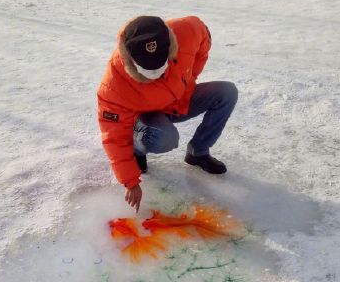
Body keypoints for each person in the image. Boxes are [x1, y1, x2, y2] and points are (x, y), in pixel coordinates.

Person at [97, 15, 238, 212]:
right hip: (148, 116)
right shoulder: (114, 86)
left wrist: (190, 78)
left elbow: (203, 42)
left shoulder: (188, 30)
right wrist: (130, 182)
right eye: (147, 74)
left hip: (180, 100)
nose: (158, 76)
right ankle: (138, 150)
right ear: (131, 63)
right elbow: (114, 137)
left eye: (161, 69)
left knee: (226, 92)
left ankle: (198, 152)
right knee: (166, 138)